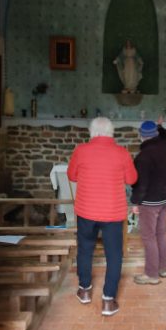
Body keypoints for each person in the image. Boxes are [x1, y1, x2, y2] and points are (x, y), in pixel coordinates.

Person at [67, 117, 138, 316]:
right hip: (112, 213)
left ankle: (85, 290)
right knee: (114, 254)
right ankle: (108, 300)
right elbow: (132, 179)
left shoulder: (80, 150)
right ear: (110, 132)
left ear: (92, 132)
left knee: (85, 250)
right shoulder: (122, 152)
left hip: (86, 211)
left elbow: (72, 176)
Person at [130, 118, 166, 285]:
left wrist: (135, 203)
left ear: (141, 136)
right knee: (161, 233)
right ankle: (163, 269)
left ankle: (151, 274)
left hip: (150, 202)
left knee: (148, 237)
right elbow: (163, 136)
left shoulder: (143, 156)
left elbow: (141, 184)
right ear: (155, 134)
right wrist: (160, 126)